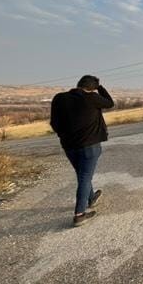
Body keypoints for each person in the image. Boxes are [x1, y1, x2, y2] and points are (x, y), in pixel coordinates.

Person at [50, 75, 114, 227]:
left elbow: (54, 122)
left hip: (68, 146)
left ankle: (91, 198)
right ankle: (79, 214)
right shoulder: (91, 97)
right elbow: (110, 103)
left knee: (82, 173)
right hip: (89, 145)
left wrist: (63, 135)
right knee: (85, 176)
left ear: (78, 84)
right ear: (92, 88)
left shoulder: (59, 98)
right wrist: (100, 88)